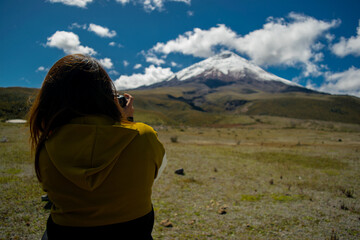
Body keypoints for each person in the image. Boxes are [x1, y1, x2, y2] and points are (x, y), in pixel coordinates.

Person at [28, 54, 166, 239]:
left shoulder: (46, 149)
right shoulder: (144, 137)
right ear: (107, 95)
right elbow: (151, 174)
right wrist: (126, 123)